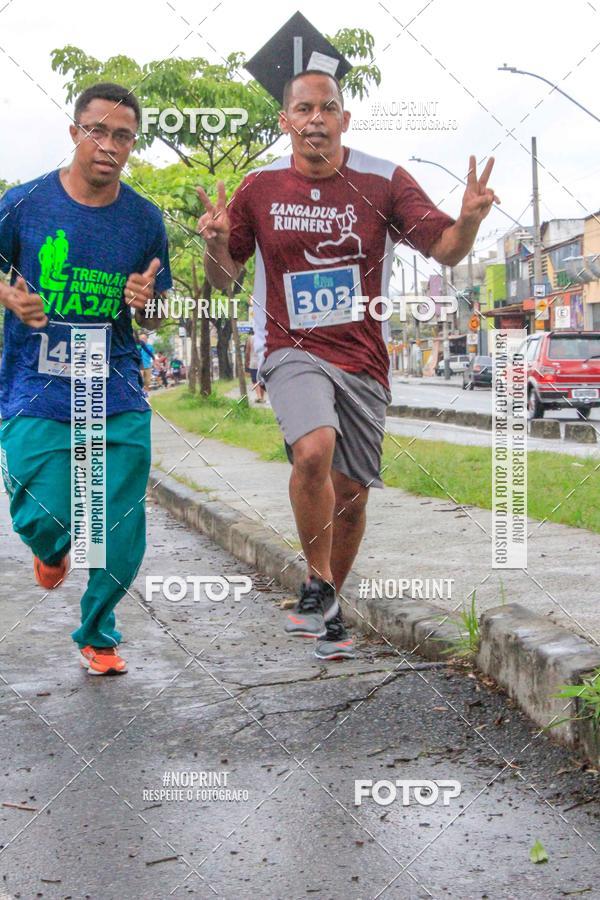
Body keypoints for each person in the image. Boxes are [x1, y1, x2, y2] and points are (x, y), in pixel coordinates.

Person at [197, 69, 497, 661]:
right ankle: (317, 584)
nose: (316, 118)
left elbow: (444, 248)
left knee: (353, 494)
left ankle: (327, 599)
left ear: (344, 119)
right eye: (303, 108)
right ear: (286, 120)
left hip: (362, 354)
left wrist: (468, 220)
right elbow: (225, 279)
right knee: (313, 450)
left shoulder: (383, 181)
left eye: (328, 108)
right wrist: (215, 242)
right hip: (290, 347)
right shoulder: (258, 188)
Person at [0, 82, 171, 675]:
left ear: (132, 144)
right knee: (45, 517)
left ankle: (98, 633)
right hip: (34, 386)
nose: (109, 145)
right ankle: (51, 548)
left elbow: (157, 312)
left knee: (116, 526)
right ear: (75, 132)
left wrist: (148, 301)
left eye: (123, 136)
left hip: (114, 383)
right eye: (97, 131)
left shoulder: (144, 220)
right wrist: (7, 295)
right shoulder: (23, 204)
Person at [244, 328, 266, 403]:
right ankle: (262, 397)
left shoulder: (250, 339)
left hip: (253, 363)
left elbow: (247, 351)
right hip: (263, 362)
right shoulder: (265, 338)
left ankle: (259, 396)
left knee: (255, 380)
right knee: (262, 380)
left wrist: (247, 361)